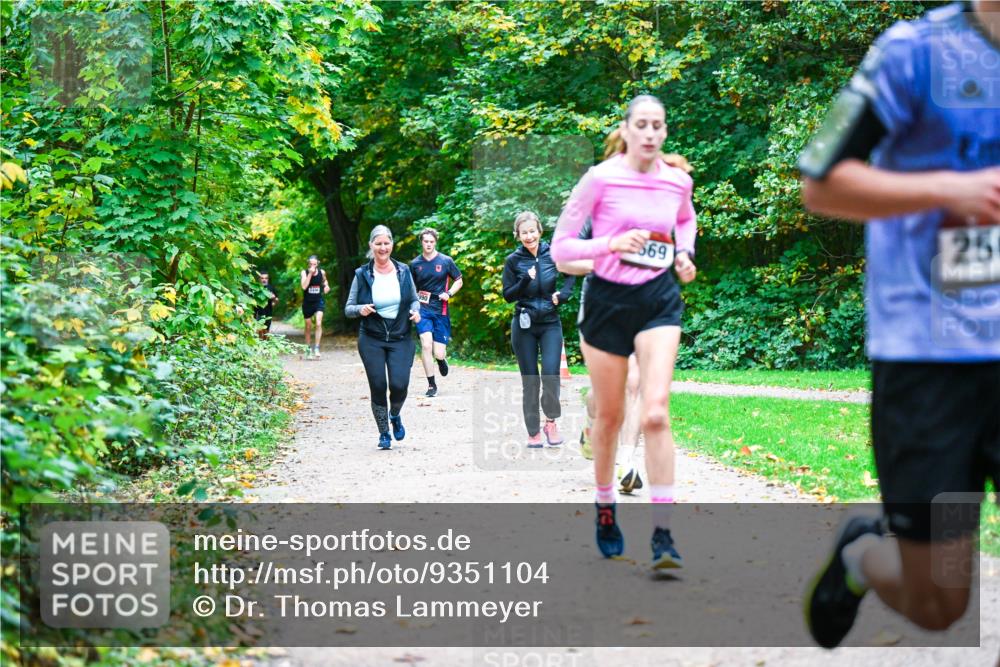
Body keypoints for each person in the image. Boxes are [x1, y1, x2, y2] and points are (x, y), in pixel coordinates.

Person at [798, 1, 1000, 648]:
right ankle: (864, 555)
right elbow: (821, 182)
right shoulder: (912, 51)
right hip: (930, 359)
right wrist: (949, 189)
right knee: (940, 599)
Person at [551, 94, 698, 569]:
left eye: (659, 125)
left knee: (655, 412)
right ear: (627, 129)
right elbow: (561, 248)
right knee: (610, 417)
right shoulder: (601, 178)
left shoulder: (677, 181)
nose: (651, 133)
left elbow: (685, 219)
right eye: (643, 125)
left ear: (665, 131)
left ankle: (663, 534)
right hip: (607, 302)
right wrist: (611, 243)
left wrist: (684, 253)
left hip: (658, 300)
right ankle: (605, 506)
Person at [501, 211, 577, 448]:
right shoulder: (513, 261)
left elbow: (571, 275)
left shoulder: (552, 253)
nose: (529, 236)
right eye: (524, 233)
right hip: (524, 324)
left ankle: (551, 422)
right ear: (518, 235)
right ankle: (533, 432)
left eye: (532, 231)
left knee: (551, 377)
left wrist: (563, 295)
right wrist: (524, 280)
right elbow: (507, 295)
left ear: (539, 231)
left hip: (550, 323)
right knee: (531, 381)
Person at [345, 225, 422, 450]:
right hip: (371, 338)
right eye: (378, 243)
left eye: (386, 243)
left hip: (400, 337)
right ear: (371, 246)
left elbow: (414, 299)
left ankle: (395, 414)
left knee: (399, 385)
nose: (382, 247)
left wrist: (416, 311)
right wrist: (360, 310)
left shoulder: (404, 271)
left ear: (392, 245)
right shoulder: (362, 274)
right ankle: (384, 433)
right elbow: (348, 308)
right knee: (378, 385)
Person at [410, 228, 463, 397]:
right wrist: (412, 306)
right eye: (425, 241)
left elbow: (459, 280)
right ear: (421, 242)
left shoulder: (446, 261)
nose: (428, 244)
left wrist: (449, 294)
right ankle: (431, 385)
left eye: (431, 242)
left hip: (441, 309)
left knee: (438, 352)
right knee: (426, 344)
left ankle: (440, 360)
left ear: (436, 242)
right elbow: (410, 288)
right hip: (422, 309)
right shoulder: (415, 264)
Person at [300, 255, 330, 359]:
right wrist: (310, 274)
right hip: (307, 303)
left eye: (314, 264)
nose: (313, 265)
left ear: (318, 263)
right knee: (308, 326)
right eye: (311, 264)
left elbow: (324, 281)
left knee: (318, 323)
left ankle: (316, 348)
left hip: (318, 301)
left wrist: (326, 286)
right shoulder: (304, 272)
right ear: (308, 263)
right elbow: (304, 286)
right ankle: (308, 349)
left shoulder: (322, 272)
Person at [253, 272, 279, 340]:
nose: (264, 280)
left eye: (266, 278)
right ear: (259, 279)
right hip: (258, 311)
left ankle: (265, 344)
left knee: (266, 331)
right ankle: (260, 343)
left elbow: (276, 299)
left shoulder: (271, 288)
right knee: (259, 329)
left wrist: (274, 300)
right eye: (262, 278)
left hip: (268, 311)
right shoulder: (255, 287)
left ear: (268, 279)